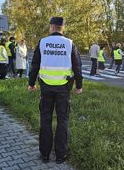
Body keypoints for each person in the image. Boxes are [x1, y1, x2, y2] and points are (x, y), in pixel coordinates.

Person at [28, 17, 83, 164]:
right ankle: (60, 156)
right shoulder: (70, 43)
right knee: (62, 121)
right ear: (62, 28)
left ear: (52, 27)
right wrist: (79, 85)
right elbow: (77, 66)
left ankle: (45, 155)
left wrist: (31, 83)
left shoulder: (42, 42)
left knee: (45, 120)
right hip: (64, 88)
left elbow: (35, 65)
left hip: (46, 88)